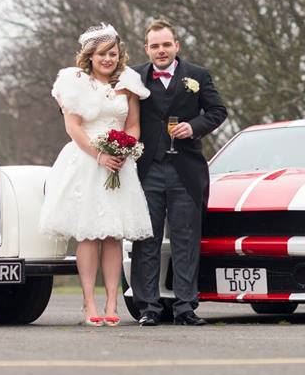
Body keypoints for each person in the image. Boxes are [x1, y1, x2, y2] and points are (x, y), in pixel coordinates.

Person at [39, 23, 154, 326]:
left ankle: (113, 301)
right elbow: (73, 126)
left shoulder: (128, 82)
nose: (108, 59)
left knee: (113, 234)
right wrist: (99, 154)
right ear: (90, 56)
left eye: (113, 53)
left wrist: (124, 149)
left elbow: (132, 123)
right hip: (86, 160)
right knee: (89, 233)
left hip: (118, 162)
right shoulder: (74, 81)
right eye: (102, 53)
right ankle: (89, 302)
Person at [130, 19, 227, 326]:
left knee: (186, 239)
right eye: (155, 46)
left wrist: (194, 127)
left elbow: (217, 111)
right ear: (146, 49)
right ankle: (148, 307)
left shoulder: (197, 76)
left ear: (176, 46)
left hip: (186, 170)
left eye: (166, 44)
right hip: (147, 170)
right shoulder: (133, 77)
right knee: (147, 239)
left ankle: (186, 306)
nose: (161, 51)